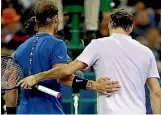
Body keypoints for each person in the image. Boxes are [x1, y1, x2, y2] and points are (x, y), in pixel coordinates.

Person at [19, 9, 161, 114]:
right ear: (130, 28)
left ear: (110, 25)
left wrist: (37, 77)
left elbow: (66, 71)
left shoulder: (98, 44)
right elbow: (156, 92)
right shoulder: (147, 52)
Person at [5, 0, 120, 114]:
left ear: (37, 21)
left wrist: (10, 112)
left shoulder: (20, 49)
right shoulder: (57, 44)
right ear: (56, 19)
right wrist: (94, 85)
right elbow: (63, 77)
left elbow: (10, 90)